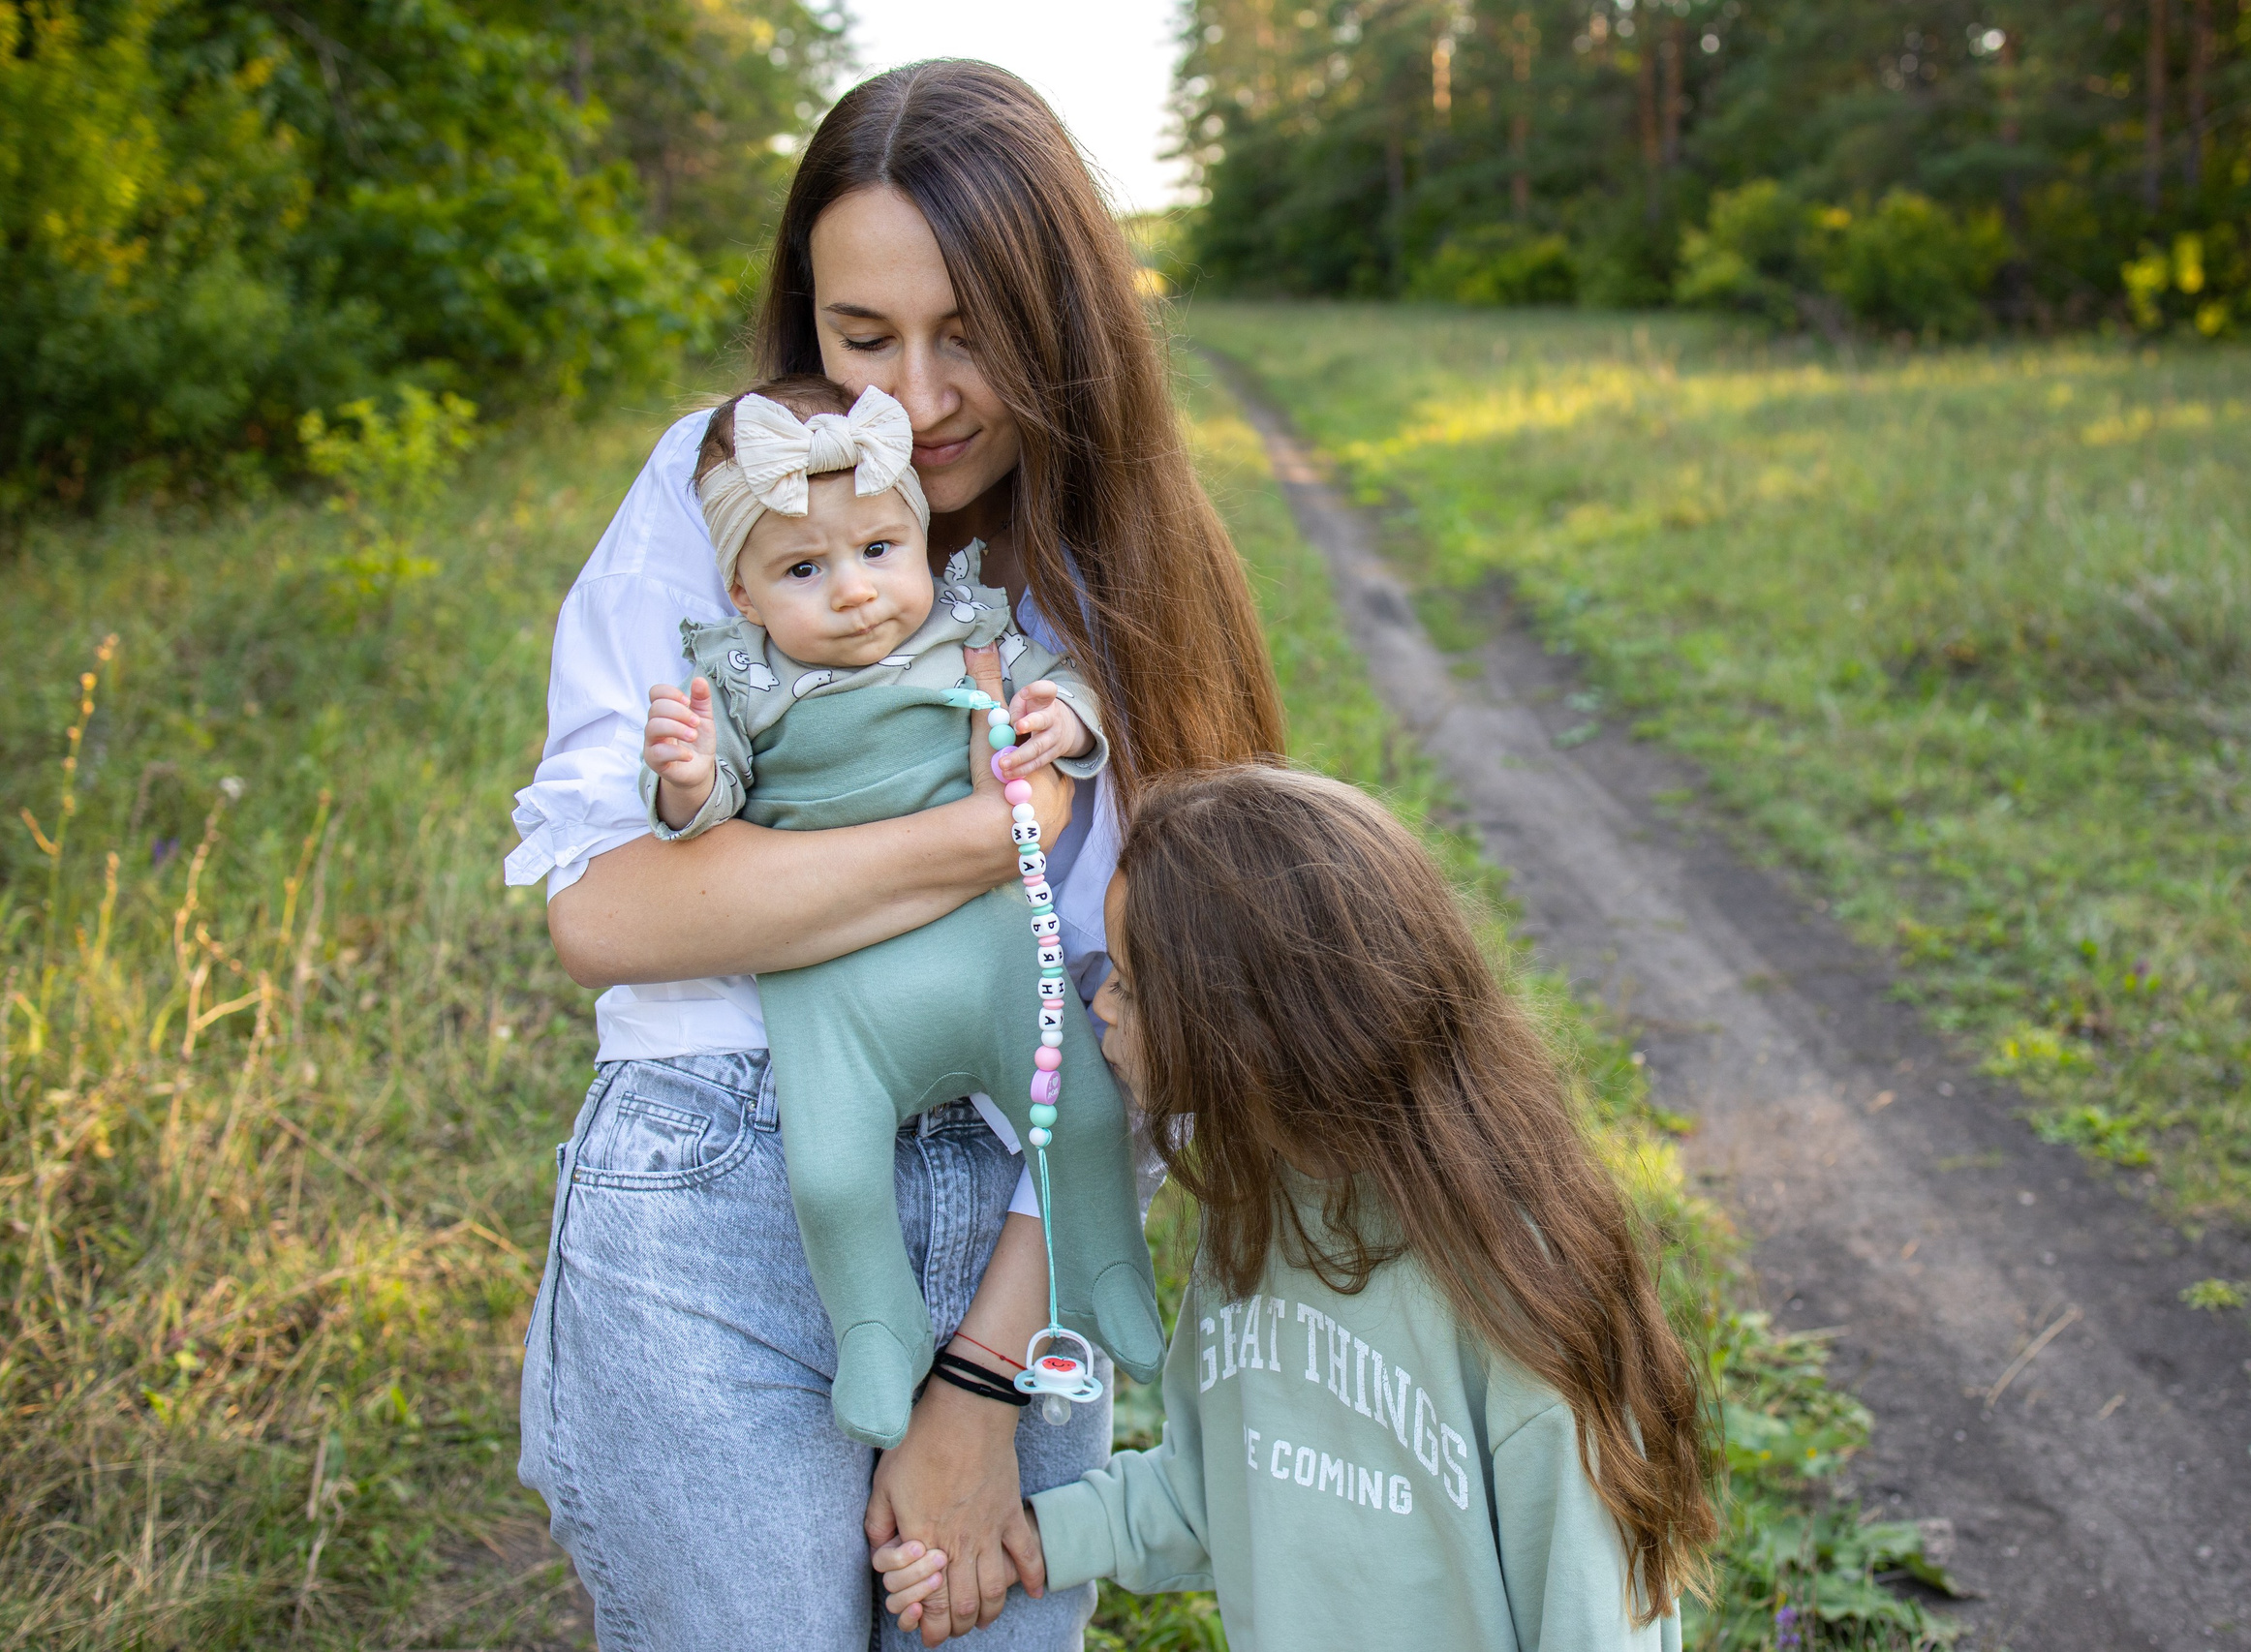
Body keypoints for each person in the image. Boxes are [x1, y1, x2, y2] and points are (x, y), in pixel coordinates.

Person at [504, 59, 1281, 1652]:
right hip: (719, 1183)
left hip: (1032, 1208)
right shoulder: (727, 485)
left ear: (1061, 319)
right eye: (864, 337)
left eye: (969, 334)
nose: (916, 404)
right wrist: (982, 837)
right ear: (805, 316)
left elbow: (1160, 1023)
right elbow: (610, 913)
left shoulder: (1131, 576)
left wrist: (986, 1384)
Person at [878, 766, 1718, 1650]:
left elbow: (1590, 1617)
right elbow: (1219, 1489)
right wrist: (1024, 1539)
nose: (1098, 1006)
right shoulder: (1257, 1211)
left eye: (1128, 982)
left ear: (1245, 1022)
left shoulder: (1519, 1300)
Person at [639, 379, 1160, 1450]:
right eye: (803, 569)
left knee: (1084, 1116)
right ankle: (876, 1328)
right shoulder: (738, 678)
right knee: (832, 1176)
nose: (854, 591)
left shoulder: (967, 628)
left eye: (880, 549)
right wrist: (687, 778)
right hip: (832, 981)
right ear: (743, 593)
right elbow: (710, 806)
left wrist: (1061, 720)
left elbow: (1061, 685)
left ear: (920, 541)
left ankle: (1109, 1271)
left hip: (991, 948)